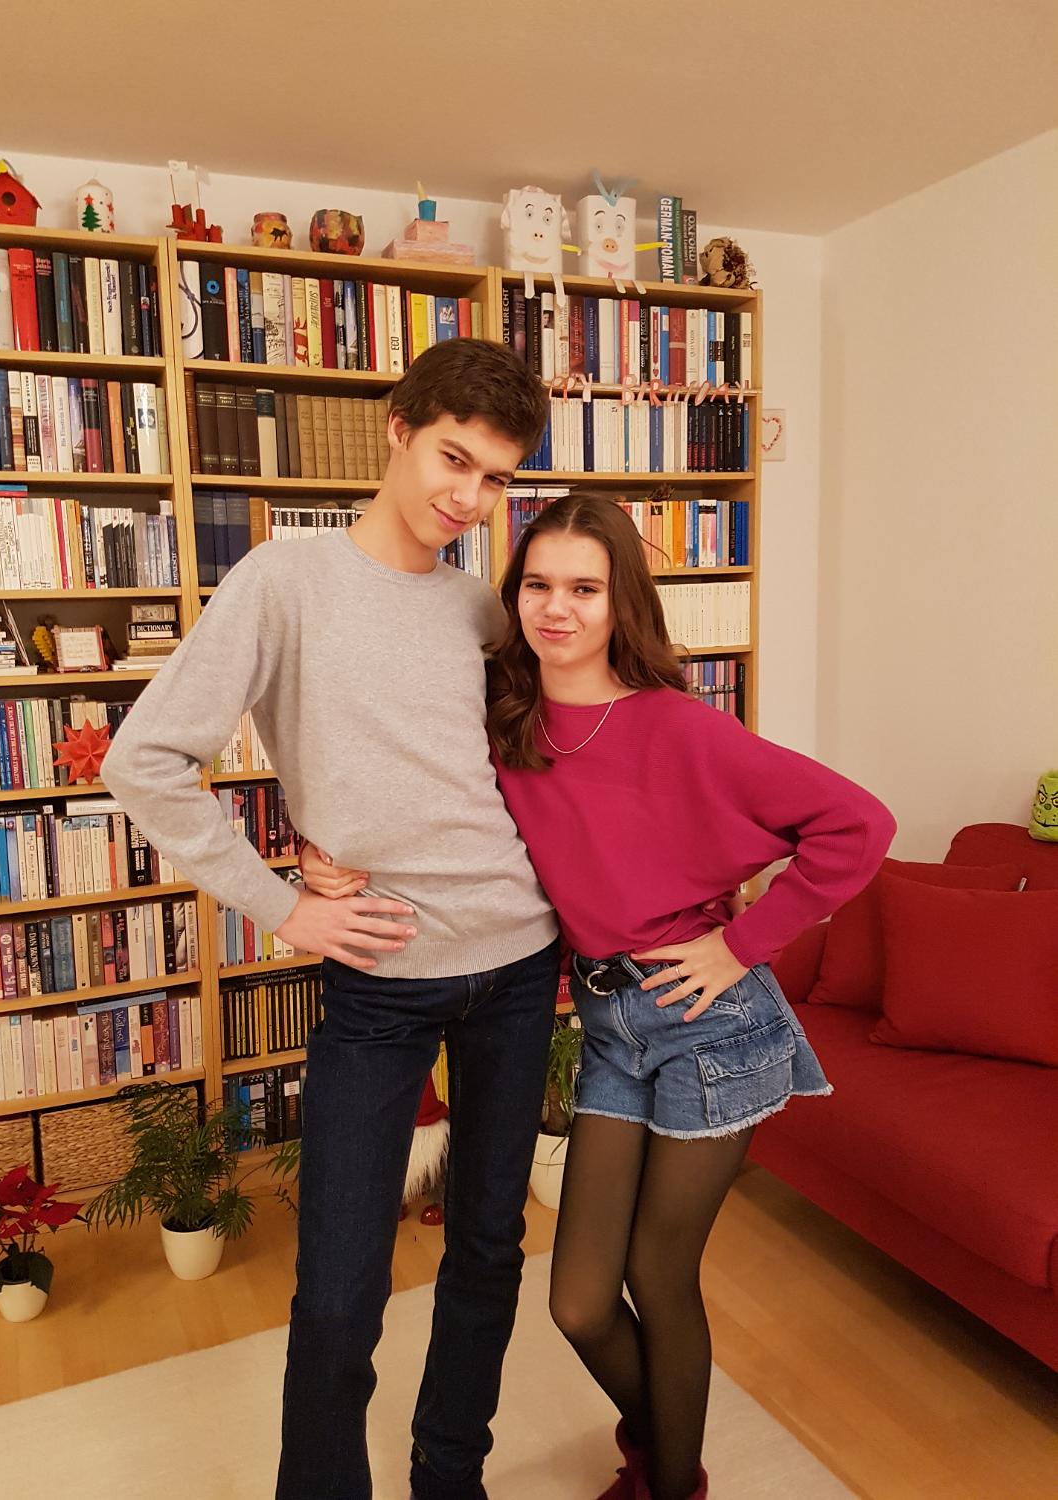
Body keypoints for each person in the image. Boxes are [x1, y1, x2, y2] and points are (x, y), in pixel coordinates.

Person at [304, 490, 896, 1500]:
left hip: (712, 1025)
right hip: (612, 1024)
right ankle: (665, 1445)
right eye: (537, 585)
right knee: (578, 1301)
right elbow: (418, 795)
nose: (557, 608)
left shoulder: (677, 726)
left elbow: (859, 825)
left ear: (622, 603)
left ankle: (670, 1482)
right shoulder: (506, 720)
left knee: (658, 1278)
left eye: (585, 588)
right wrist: (322, 854)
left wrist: (740, 944)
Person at [100, 338, 562, 1500]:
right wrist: (283, 905)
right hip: (380, 978)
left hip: (520, 963)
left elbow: (528, 768)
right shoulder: (283, 582)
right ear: (398, 428)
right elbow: (144, 761)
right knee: (341, 1288)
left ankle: (450, 1476)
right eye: (454, 458)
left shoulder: (482, 607)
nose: (470, 497)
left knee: (489, 1246)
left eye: (497, 478)